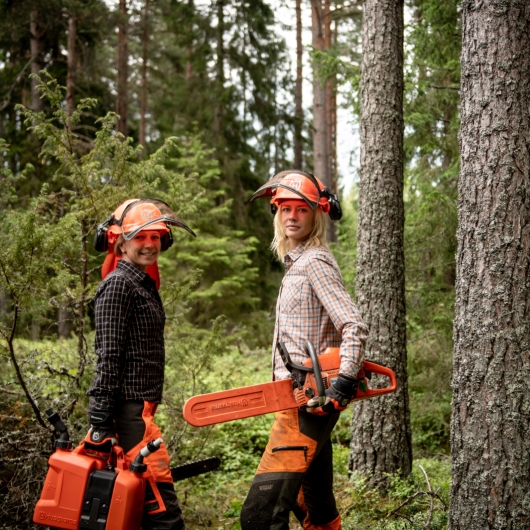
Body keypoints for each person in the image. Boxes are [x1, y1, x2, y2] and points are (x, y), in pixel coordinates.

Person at [240, 171, 368, 530]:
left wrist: (343, 380)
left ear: (316, 214)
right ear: (276, 214)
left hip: (310, 402)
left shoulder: (315, 262)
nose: (292, 216)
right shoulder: (295, 264)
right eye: (285, 209)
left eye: (301, 209)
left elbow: (353, 324)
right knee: (313, 503)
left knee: (259, 516)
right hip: (296, 397)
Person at [86, 199, 196, 530]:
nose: (149, 244)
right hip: (129, 414)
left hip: (142, 410)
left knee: (138, 511)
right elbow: (109, 354)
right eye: (140, 237)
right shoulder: (119, 285)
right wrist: (101, 421)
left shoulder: (143, 283)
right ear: (120, 240)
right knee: (164, 514)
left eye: (156, 236)